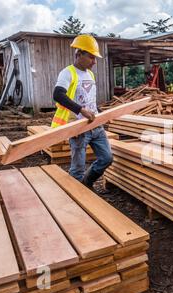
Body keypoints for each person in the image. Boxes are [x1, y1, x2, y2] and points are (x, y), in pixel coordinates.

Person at [51, 34, 113, 189]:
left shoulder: (90, 74)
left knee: (106, 158)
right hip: (78, 128)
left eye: (95, 58)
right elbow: (58, 94)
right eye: (91, 57)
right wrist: (81, 111)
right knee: (77, 169)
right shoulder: (68, 73)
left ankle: (87, 183)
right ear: (79, 55)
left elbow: (89, 99)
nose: (94, 61)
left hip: (95, 125)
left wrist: (102, 115)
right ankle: (77, 199)